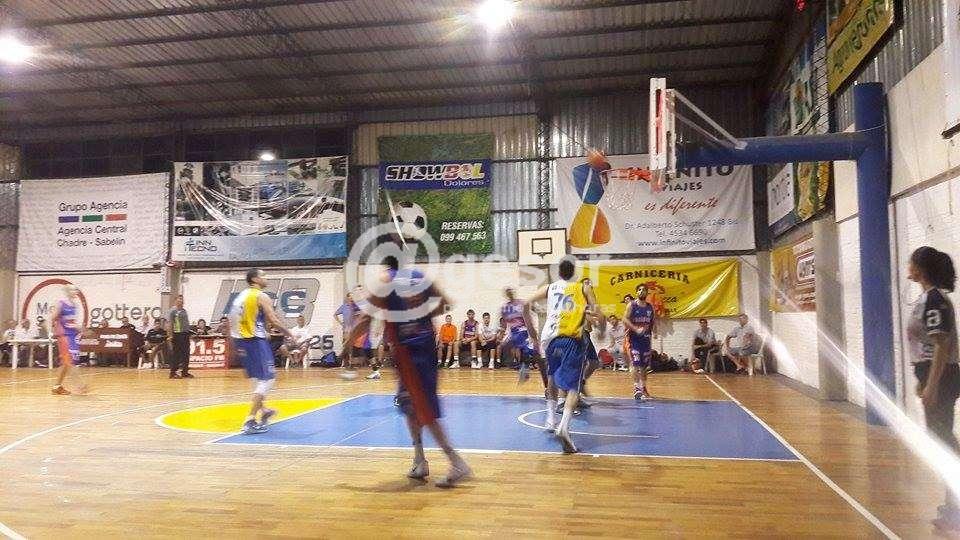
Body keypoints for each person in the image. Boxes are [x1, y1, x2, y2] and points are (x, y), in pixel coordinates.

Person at [344, 254, 471, 487]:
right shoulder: (420, 277)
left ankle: (456, 462)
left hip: (410, 351)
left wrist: (347, 344)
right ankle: (419, 460)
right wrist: (419, 315)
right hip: (425, 346)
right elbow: (445, 303)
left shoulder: (386, 281)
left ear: (386, 265)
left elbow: (365, 319)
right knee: (409, 405)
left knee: (424, 409)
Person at [905, 247, 960, 532]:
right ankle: (952, 505)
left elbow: (942, 345)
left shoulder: (935, 299)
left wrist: (932, 385)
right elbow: (925, 346)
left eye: (911, 263)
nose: (908, 267)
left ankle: (955, 508)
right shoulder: (927, 298)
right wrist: (922, 379)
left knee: (942, 442)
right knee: (941, 439)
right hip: (932, 374)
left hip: (942, 377)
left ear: (920, 268)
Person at [524, 259, 603, 454]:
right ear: (574, 273)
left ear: (558, 273)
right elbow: (598, 313)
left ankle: (551, 419)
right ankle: (564, 427)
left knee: (552, 377)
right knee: (574, 388)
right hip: (571, 339)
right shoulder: (583, 287)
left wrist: (531, 331)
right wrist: (600, 327)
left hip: (550, 340)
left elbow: (525, 304)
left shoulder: (550, 287)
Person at [228, 268, 292, 435]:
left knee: (257, 378)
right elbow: (274, 319)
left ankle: (263, 411)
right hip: (254, 340)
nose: (266, 278)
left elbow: (232, 319)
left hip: (240, 340)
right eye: (263, 275)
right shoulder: (261, 296)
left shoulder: (241, 296)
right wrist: (289, 333)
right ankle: (249, 420)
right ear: (255, 279)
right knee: (268, 379)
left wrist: (237, 342)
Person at [501, 287, 547, 387]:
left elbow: (530, 314)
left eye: (511, 291)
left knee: (537, 355)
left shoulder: (522, 303)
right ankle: (523, 367)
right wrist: (503, 334)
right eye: (508, 292)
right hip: (514, 333)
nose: (510, 293)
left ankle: (545, 382)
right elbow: (504, 323)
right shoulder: (504, 308)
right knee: (504, 347)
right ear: (506, 294)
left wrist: (539, 311)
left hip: (525, 331)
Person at [50, 285, 88, 395]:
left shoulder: (75, 305)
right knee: (69, 361)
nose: (76, 291)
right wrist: (51, 332)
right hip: (64, 336)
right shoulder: (61, 303)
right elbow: (52, 318)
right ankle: (80, 384)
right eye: (73, 290)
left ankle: (57, 387)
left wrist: (81, 329)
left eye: (76, 289)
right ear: (67, 292)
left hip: (73, 335)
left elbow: (72, 322)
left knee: (66, 363)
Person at [167, 294, 193, 379]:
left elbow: (186, 323)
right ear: (175, 301)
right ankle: (173, 373)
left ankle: (185, 372)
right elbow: (170, 324)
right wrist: (170, 336)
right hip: (177, 334)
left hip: (185, 334)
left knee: (186, 354)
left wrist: (188, 333)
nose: (181, 301)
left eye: (182, 299)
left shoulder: (184, 311)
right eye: (179, 299)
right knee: (176, 354)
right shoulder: (173, 311)